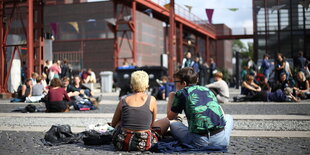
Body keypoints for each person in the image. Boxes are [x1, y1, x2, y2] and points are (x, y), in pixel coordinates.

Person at [167, 67, 233, 149]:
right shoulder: (208, 90)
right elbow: (221, 114)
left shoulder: (182, 93)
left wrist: (171, 97)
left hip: (198, 142)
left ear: (183, 83)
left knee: (173, 124)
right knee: (229, 117)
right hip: (221, 142)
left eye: (176, 82)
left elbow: (170, 117)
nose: (175, 84)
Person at [111, 71, 170, 151]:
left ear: (131, 85)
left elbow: (113, 124)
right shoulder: (151, 100)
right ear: (147, 86)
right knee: (166, 121)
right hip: (144, 143)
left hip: (123, 143)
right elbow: (151, 124)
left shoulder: (123, 101)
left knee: (120, 121)